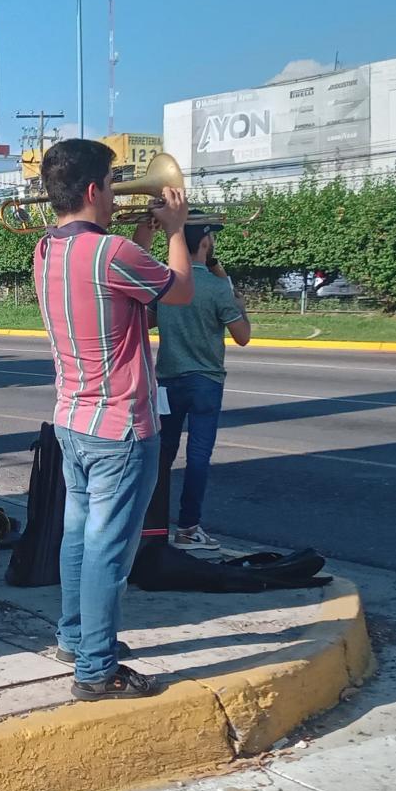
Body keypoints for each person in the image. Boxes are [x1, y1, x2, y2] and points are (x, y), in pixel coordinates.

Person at [33, 138, 194, 701]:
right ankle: (96, 669)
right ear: (96, 189)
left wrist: (141, 239)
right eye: (116, 178)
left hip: (72, 421)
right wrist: (176, 230)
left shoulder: (46, 250)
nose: (123, 187)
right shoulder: (112, 254)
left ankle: (75, 637)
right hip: (120, 426)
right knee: (109, 548)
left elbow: (123, 300)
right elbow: (178, 292)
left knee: (78, 534)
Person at [154, 213, 251, 550]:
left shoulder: (165, 283)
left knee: (161, 456)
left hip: (166, 379)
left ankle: (152, 524)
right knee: (197, 456)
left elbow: (149, 319)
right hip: (206, 382)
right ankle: (188, 528)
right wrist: (237, 301)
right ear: (206, 244)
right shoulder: (216, 287)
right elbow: (243, 336)